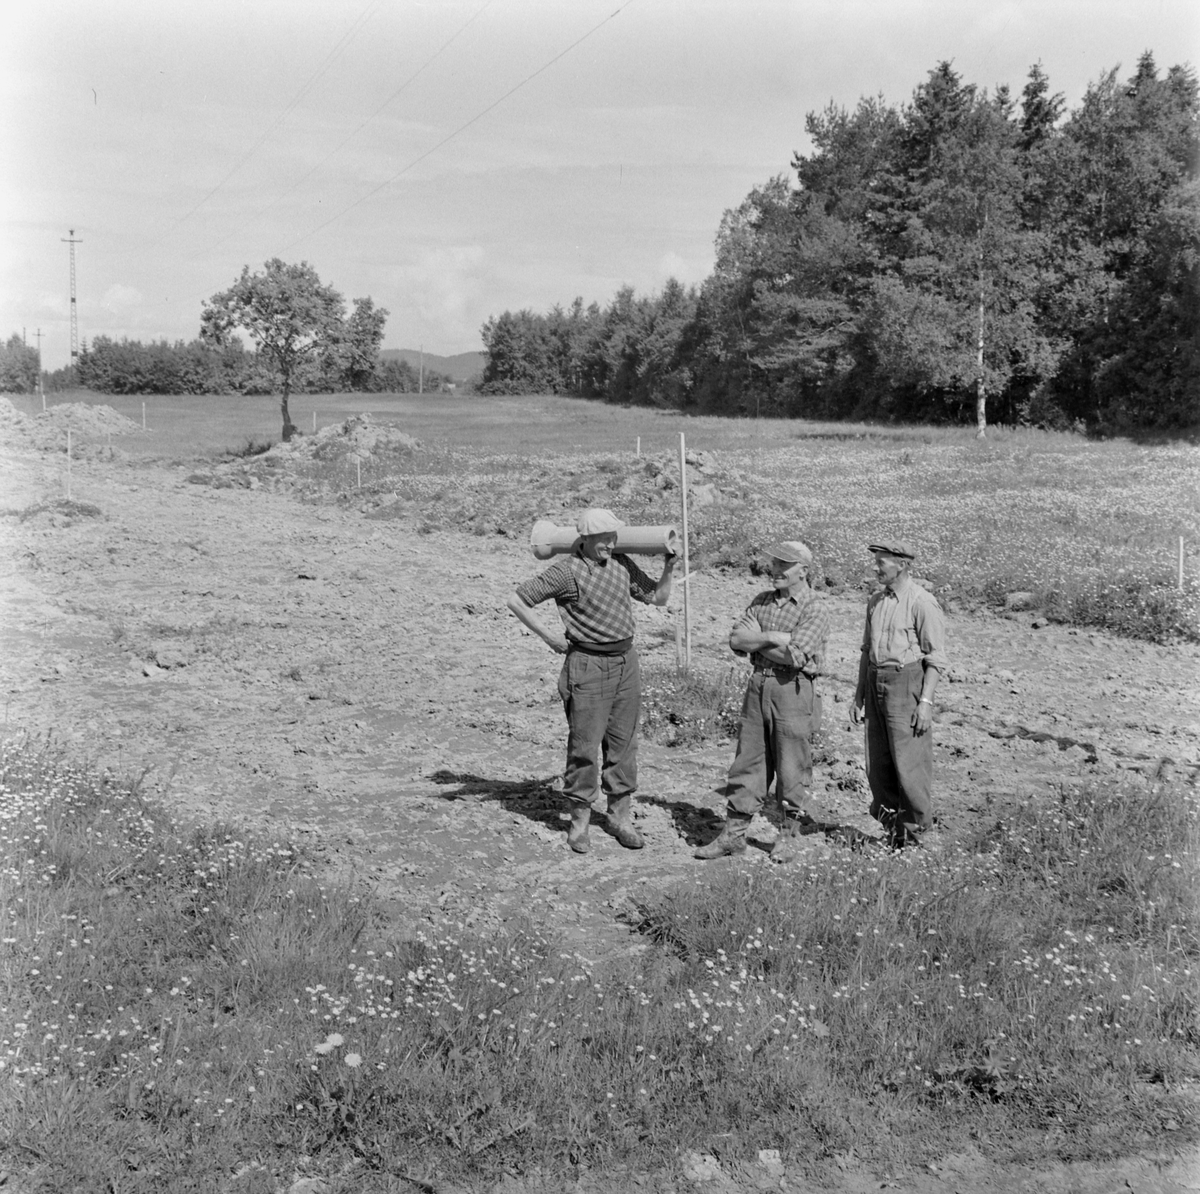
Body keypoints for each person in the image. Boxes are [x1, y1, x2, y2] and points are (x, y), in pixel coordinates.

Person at [507, 508, 676, 854]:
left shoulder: (621, 563)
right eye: (604, 539)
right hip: (587, 666)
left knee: (624, 744)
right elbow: (516, 600)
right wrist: (549, 637)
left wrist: (670, 566)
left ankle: (619, 818)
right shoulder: (566, 572)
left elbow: (657, 598)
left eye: (615, 538)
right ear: (584, 539)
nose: (611, 544)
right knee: (584, 747)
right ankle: (580, 823)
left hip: (626, 663)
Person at [694, 540, 830, 863]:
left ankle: (788, 836)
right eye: (775, 563)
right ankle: (734, 835)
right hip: (758, 685)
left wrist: (758, 641)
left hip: (793, 689)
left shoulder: (814, 607)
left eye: (785, 565)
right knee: (748, 761)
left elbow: (795, 656)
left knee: (791, 765)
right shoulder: (762, 601)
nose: (776, 570)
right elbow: (736, 640)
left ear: (804, 571)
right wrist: (772, 638)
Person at [850, 540, 947, 848]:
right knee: (879, 764)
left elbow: (936, 658)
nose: (875, 568)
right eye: (876, 562)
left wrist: (925, 703)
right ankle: (894, 832)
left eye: (882, 563)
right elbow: (867, 650)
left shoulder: (922, 602)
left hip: (907, 684)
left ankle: (917, 836)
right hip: (876, 681)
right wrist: (858, 695)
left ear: (902, 565)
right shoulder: (875, 601)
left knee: (910, 763)